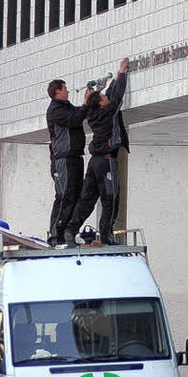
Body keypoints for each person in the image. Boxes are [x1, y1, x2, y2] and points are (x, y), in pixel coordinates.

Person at [64, 58, 129, 246]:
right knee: (110, 199)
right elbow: (117, 96)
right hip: (107, 161)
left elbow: (109, 95)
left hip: (94, 162)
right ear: (101, 103)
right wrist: (122, 72)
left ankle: (70, 230)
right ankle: (107, 236)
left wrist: (103, 86)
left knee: (87, 198)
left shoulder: (92, 113)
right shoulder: (108, 111)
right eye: (103, 97)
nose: (106, 97)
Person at [46, 79, 92, 245]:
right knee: (65, 195)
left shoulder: (66, 106)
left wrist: (90, 100)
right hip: (63, 159)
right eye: (64, 88)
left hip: (75, 157)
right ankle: (55, 236)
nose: (67, 90)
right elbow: (75, 119)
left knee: (76, 195)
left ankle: (67, 233)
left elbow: (79, 113)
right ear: (57, 91)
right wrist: (86, 103)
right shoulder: (55, 110)